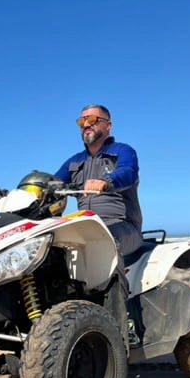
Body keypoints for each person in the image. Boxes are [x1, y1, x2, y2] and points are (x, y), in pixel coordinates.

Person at [55, 104, 143, 298]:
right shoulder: (74, 162)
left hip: (123, 227)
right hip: (84, 227)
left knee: (106, 242)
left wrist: (106, 182)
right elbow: (52, 184)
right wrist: (19, 196)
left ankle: (118, 315)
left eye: (92, 120)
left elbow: (128, 172)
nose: (86, 124)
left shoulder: (123, 152)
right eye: (81, 121)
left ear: (108, 126)